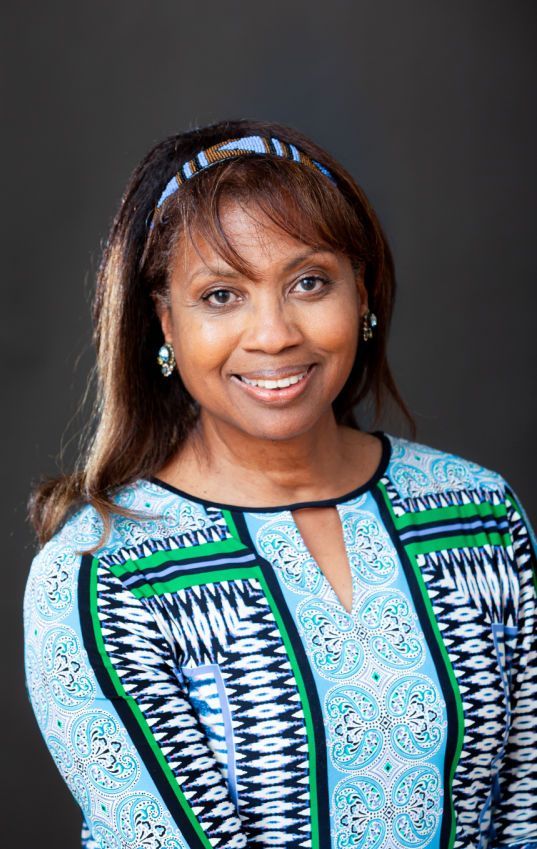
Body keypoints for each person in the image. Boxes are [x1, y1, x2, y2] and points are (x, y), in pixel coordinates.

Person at [23, 118, 536, 849]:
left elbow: (525, 805)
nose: (273, 334)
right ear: (163, 323)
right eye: (221, 295)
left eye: (308, 282)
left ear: (362, 295)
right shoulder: (103, 577)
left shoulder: (478, 516)